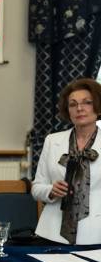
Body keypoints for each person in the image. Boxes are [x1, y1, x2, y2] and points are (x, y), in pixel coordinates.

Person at [31, 78, 101, 245]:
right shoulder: (52, 140)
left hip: (96, 233)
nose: (79, 108)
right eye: (72, 104)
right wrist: (51, 190)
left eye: (87, 102)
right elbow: (36, 187)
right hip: (51, 232)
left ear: (98, 107)